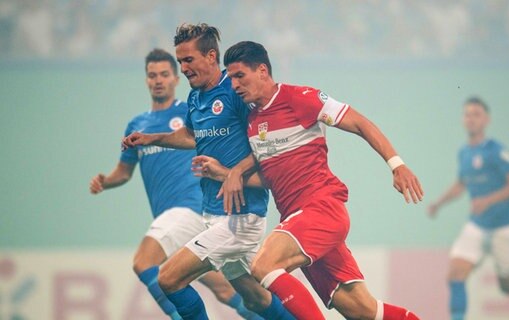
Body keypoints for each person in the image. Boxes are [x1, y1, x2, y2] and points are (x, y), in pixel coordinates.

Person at [193, 40, 423, 320]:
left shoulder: (300, 98)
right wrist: (226, 174)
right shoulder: (253, 121)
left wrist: (396, 164)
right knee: (362, 310)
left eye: (240, 76)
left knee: (264, 265)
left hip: (321, 210)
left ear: (263, 70)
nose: (234, 85)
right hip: (300, 222)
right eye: (231, 78)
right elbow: (273, 177)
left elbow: (360, 123)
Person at [121, 24, 294, 320]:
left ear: (211, 56)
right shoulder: (196, 97)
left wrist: (231, 172)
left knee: (168, 278)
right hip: (213, 214)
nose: (184, 68)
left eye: (188, 60)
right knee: (254, 298)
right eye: (180, 62)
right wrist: (153, 138)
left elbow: (266, 143)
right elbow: (192, 136)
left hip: (242, 216)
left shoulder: (236, 90)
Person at [89, 48, 261, 320]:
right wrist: (105, 181)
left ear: (175, 79)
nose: (158, 80)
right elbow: (124, 172)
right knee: (227, 290)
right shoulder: (137, 124)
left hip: (190, 209)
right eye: (152, 75)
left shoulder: (191, 109)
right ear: (146, 80)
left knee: (144, 262)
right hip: (176, 218)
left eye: (164, 74)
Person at [427, 97, 509, 320]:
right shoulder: (464, 153)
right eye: (467, 114)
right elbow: (461, 185)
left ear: (486, 120)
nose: (471, 119)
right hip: (478, 225)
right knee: (455, 275)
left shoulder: (496, 150)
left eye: (476, 114)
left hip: (505, 225)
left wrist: (487, 200)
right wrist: (438, 203)